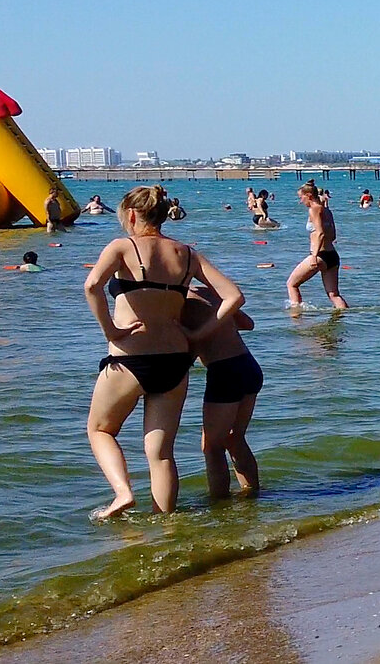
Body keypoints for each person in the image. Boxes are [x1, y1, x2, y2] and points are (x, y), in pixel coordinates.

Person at [83, 185, 244, 519]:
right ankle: (166, 529)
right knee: (160, 453)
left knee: (100, 430)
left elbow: (92, 286)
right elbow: (233, 297)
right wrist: (198, 332)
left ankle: (123, 493)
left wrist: (110, 330)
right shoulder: (186, 253)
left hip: (130, 358)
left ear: (130, 214)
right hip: (175, 359)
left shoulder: (121, 246)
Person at [181, 286, 262, 498]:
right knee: (235, 438)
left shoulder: (182, 301)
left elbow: (191, 347)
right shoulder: (210, 292)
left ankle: (219, 505)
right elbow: (248, 324)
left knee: (212, 447)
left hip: (224, 370)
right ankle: (252, 495)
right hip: (248, 365)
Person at [286, 181, 349, 310]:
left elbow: (320, 233)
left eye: (301, 197)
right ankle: (344, 317)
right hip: (332, 255)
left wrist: (314, 255)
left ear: (308, 195)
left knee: (292, 284)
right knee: (334, 295)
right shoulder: (327, 211)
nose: (300, 201)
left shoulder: (314, 210)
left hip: (319, 255)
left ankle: (296, 318)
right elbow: (332, 236)